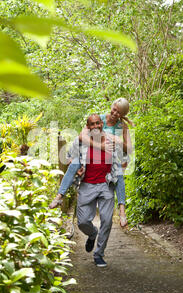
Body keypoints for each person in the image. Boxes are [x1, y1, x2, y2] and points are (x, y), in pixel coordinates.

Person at [49, 98, 133, 228]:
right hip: (88, 155)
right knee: (74, 164)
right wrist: (101, 146)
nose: (115, 113)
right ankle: (60, 195)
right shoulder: (98, 119)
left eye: (119, 112)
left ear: (123, 115)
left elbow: (129, 149)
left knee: (119, 174)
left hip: (106, 160)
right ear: (112, 107)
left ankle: (122, 210)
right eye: (114, 109)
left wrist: (120, 142)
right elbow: (82, 137)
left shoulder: (122, 126)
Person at [73, 114, 119, 267]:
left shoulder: (110, 141)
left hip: (105, 185)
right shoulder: (82, 143)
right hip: (87, 185)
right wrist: (76, 170)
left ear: (102, 124)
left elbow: (119, 164)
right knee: (82, 222)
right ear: (88, 126)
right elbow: (70, 160)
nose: (95, 126)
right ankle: (92, 233)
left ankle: (99, 254)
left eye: (98, 123)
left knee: (106, 220)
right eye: (91, 124)